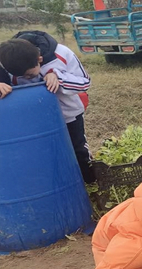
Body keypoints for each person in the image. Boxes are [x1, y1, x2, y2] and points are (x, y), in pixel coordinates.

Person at [0, 32, 94, 183]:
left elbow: (85, 83)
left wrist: (58, 77)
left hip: (68, 115)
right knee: (46, 154)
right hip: (36, 120)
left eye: (30, 75)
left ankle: (89, 183)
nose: (28, 79)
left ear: (40, 59)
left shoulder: (62, 54)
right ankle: (60, 184)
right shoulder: (7, 62)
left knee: (78, 150)